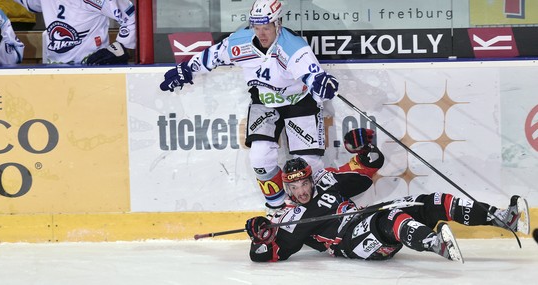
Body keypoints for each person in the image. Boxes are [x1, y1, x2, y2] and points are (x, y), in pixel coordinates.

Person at [159, 0, 340, 217]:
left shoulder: (294, 47)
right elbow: (213, 55)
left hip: (299, 102)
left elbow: (314, 77)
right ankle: (279, 209)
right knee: (260, 158)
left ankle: (319, 210)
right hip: (264, 102)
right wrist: (187, 70)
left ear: (277, 24)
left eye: (266, 27)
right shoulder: (241, 42)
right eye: (257, 27)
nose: (261, 33)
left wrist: (323, 86)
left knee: (309, 162)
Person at [244, 128, 530, 262]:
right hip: (351, 243)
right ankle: (434, 243)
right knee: (390, 217)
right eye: (293, 187)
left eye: (304, 183)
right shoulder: (292, 216)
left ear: (310, 178)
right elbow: (267, 254)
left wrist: (365, 147)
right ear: (287, 189)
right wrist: (259, 234)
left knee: (430, 201)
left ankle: (504, 218)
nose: (301, 190)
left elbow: (368, 166)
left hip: (365, 218)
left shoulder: (329, 180)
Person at [13, 0, 136, 65]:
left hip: (92, 70)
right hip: (56, 71)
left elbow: (133, 16)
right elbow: (32, 4)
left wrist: (119, 48)